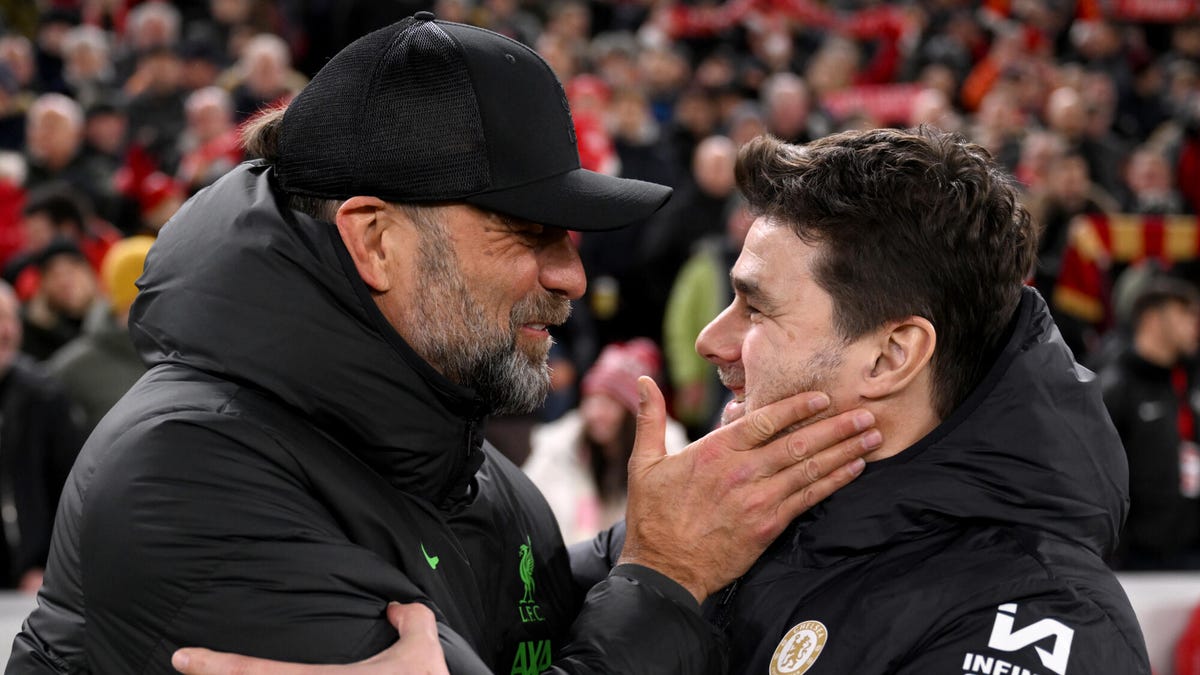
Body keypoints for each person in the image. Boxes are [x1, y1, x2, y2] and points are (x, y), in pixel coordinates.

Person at [9, 15, 879, 674]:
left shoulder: (460, 459)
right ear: (375, 240)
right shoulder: (190, 479)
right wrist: (664, 579)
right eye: (528, 231)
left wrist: (657, 535)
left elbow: (518, 605)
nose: (571, 275)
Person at [523, 338, 689, 544]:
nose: (596, 412)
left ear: (631, 412)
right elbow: (528, 508)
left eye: (610, 402)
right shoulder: (560, 446)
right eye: (591, 399)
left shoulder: (668, 450)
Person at [1100, 275, 1200, 569]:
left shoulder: (1190, 380)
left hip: (1192, 552)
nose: (1194, 324)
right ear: (1154, 318)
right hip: (1136, 562)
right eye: (1185, 313)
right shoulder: (1116, 387)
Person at [0, 280, 85, 596]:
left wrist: (48, 566)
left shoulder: (44, 396)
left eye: (9, 319)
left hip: (30, 584)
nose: (4, 332)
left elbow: (72, 491)